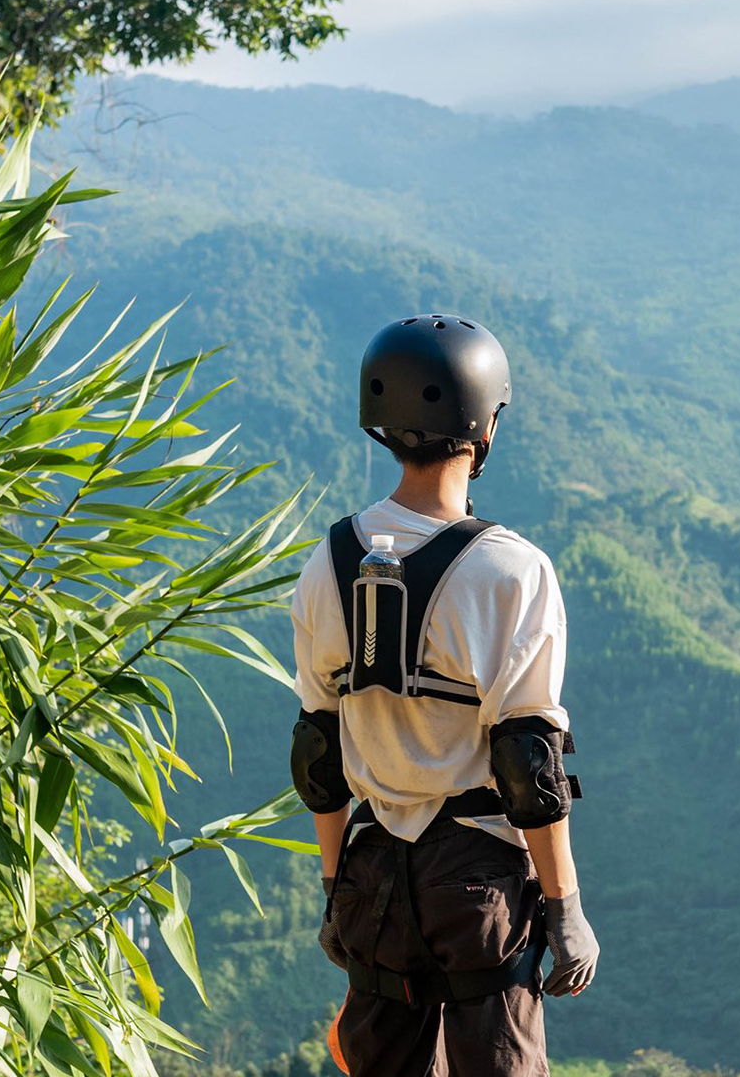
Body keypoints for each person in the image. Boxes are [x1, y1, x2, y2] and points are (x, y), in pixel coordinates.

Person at [289, 313, 599, 1076]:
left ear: (381, 426)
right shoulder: (511, 571)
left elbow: (318, 757)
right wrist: (565, 911)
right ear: (483, 425)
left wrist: (336, 891)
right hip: (475, 878)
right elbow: (528, 764)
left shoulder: (325, 564)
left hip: (371, 870)